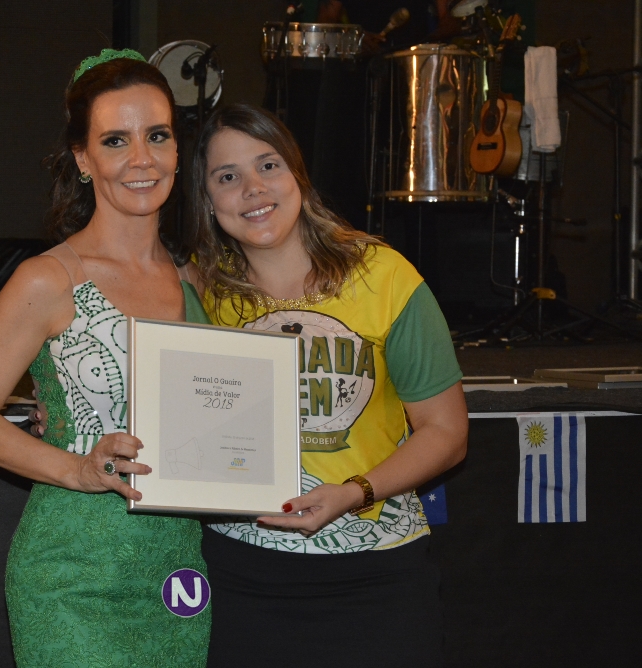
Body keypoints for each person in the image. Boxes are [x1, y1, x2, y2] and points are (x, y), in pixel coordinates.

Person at [0, 50, 211, 667]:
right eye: (116, 140)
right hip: (72, 573)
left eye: (157, 136)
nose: (141, 158)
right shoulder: (48, 279)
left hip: (179, 574)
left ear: (177, 151)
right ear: (84, 160)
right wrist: (77, 468)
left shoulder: (197, 280)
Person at [186, 103, 468, 667]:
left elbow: (446, 432)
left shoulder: (384, 275)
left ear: (297, 174)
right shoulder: (196, 291)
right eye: (227, 176)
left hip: (378, 575)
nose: (252, 188)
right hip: (241, 577)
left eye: (268, 165)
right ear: (208, 200)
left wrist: (354, 492)